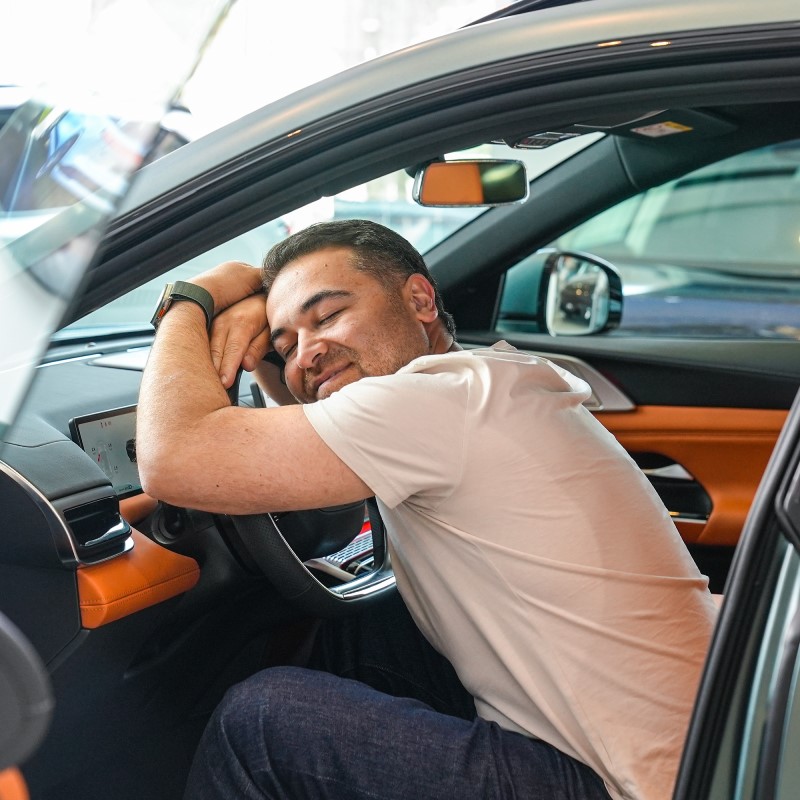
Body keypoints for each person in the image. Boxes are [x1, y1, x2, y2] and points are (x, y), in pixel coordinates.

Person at [137, 219, 717, 800]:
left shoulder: (425, 405)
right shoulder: (480, 382)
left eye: (329, 315)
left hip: (625, 785)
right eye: (286, 346)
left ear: (419, 299)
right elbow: (304, 405)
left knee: (261, 723)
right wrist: (270, 331)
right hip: (702, 749)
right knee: (369, 630)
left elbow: (172, 459)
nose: (306, 353)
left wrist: (193, 299)